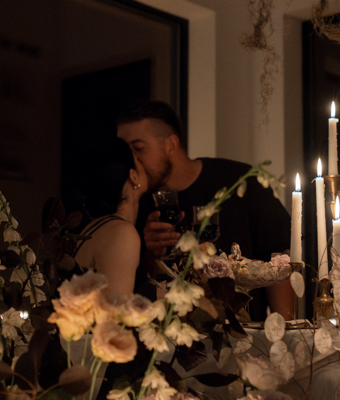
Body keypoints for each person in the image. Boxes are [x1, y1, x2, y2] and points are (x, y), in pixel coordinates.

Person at [116, 101, 294, 318]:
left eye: (138, 149)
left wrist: (285, 332)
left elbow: (279, 255)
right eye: (127, 152)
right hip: (167, 343)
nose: (134, 162)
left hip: (242, 338)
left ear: (170, 144)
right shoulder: (139, 203)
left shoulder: (236, 182)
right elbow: (133, 291)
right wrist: (152, 256)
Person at [72, 137, 147, 294]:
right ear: (133, 176)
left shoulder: (96, 228)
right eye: (138, 159)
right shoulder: (121, 234)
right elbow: (113, 315)